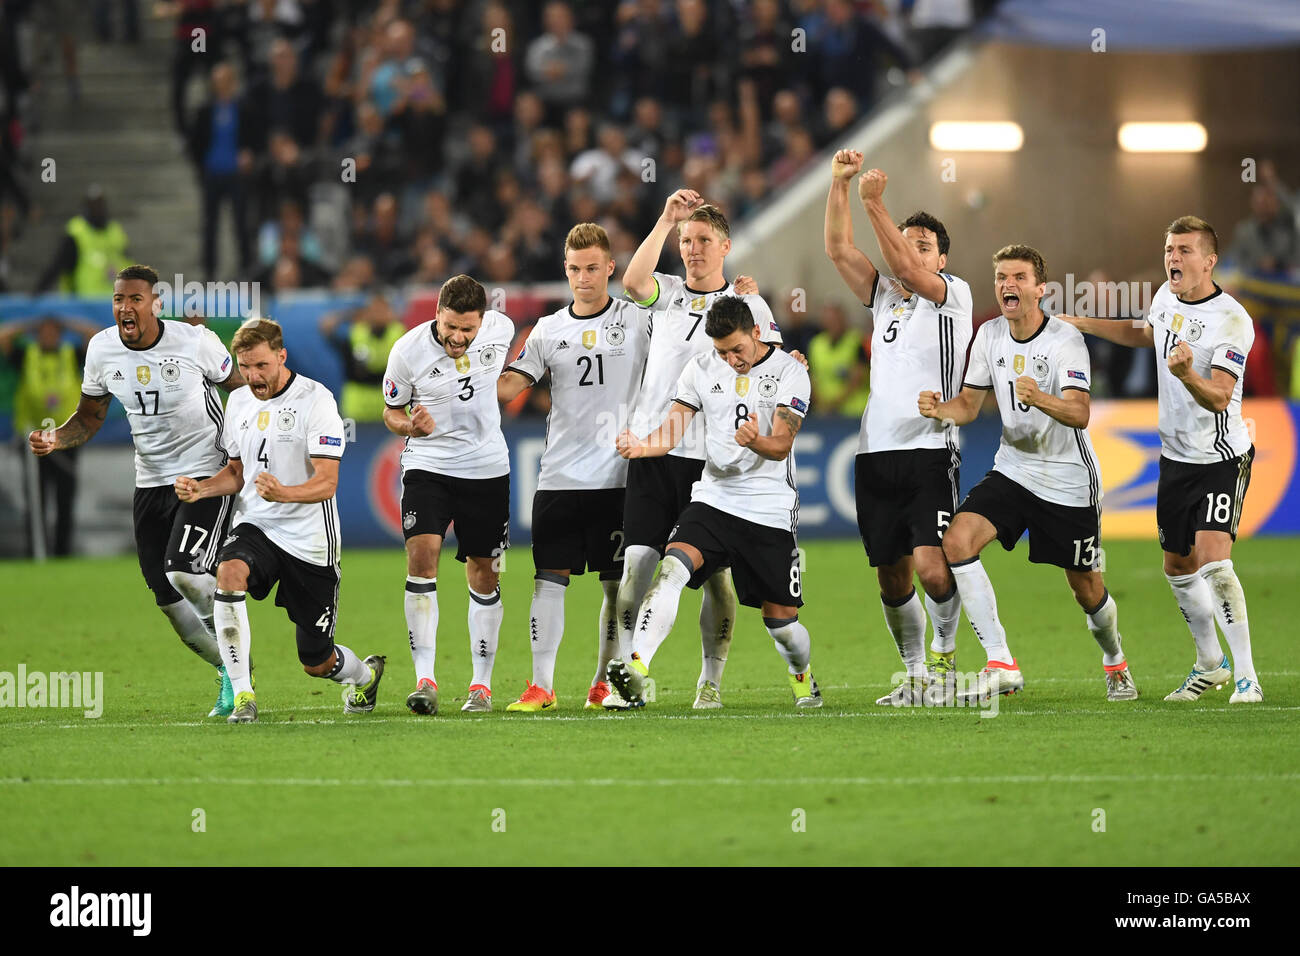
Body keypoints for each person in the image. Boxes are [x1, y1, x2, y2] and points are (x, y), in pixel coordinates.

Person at [918, 245, 1138, 702]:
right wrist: (942, 410)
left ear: (1041, 288)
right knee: (957, 541)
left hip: (1067, 479)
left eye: (1018, 277)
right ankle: (1000, 661)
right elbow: (970, 405)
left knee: (1086, 588)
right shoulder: (989, 336)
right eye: (1000, 277)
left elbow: (1079, 413)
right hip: (1014, 469)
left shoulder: (1064, 340)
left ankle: (1115, 659)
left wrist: (1039, 398)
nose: (1007, 285)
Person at [28, 264, 245, 716]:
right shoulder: (102, 349)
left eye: (135, 299)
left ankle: (239, 675)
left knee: (184, 571)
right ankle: (228, 671)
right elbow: (89, 417)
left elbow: (242, 389)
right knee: (165, 598)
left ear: (156, 304)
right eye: (118, 300)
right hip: (150, 482)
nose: (125, 308)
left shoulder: (195, 342)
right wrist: (55, 438)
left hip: (204, 476)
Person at [1061, 217, 1262, 703]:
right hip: (1175, 457)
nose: (1174, 257)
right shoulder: (1165, 298)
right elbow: (1144, 333)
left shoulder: (1232, 320)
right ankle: (1210, 664)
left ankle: (1247, 677)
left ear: (1209, 261)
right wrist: (1080, 322)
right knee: (1177, 565)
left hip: (1220, 455)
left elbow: (1218, 397)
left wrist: (1188, 374)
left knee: (1214, 560)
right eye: (1169, 248)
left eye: (1185, 250)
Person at [609, 295, 820, 709]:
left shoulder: (790, 372)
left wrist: (756, 440)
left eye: (737, 350)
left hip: (768, 507)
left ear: (757, 333)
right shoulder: (701, 368)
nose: (730, 360)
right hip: (714, 498)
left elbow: (780, 445)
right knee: (671, 569)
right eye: (721, 351)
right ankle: (637, 666)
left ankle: (803, 677)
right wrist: (641, 447)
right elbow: (670, 432)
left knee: (781, 623)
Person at [615, 190, 782, 710]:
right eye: (687, 241)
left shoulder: (748, 304)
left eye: (703, 240)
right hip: (653, 450)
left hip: (712, 461)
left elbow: (772, 367)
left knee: (713, 580)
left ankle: (710, 680)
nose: (693, 249)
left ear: (726, 246)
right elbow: (630, 282)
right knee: (635, 571)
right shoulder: (663, 292)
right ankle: (627, 678)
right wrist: (666, 219)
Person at [175, 317, 385, 723]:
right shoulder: (237, 402)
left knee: (316, 660)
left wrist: (284, 492)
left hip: (310, 542)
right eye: (245, 367)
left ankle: (365, 676)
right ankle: (242, 695)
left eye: (261, 366)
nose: (253, 377)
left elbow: (327, 482)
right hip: (258, 526)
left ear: (281, 356)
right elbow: (237, 473)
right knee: (229, 572)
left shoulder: (316, 400)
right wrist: (201, 489)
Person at [824, 153, 971, 705]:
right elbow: (838, 249)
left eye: (924, 244)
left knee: (933, 568)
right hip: (874, 454)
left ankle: (946, 662)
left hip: (930, 449)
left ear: (943, 257)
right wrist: (839, 186)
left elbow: (909, 269)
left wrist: (874, 202)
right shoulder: (885, 298)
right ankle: (913, 675)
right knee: (892, 577)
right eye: (906, 241)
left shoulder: (952, 296)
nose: (911, 251)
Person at [496, 223, 652, 712]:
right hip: (560, 475)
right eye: (573, 269)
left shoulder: (639, 320)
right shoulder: (548, 329)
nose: (583, 278)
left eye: (592, 268)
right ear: (564, 269)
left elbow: (693, 332)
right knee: (548, 579)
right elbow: (510, 386)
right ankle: (541, 685)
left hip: (620, 475)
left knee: (616, 584)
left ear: (610, 267)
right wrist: (465, 376)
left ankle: (604, 682)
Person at [381, 275, 513, 715]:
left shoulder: (502, 328)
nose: (457, 337)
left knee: (485, 573)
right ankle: (425, 679)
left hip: (488, 469)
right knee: (422, 558)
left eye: (467, 329)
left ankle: (481, 686)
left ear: (483, 322)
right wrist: (408, 426)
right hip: (429, 465)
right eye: (450, 326)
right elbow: (390, 411)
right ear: (437, 313)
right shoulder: (407, 351)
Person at [3, 315, 100, 556]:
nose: (48, 336)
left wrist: (68, 324)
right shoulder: (27, 355)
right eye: (43, 332)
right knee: (37, 498)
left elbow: (95, 336)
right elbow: (3, 337)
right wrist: (29, 325)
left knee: (65, 497)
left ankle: (62, 552)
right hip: (34, 438)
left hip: (66, 438)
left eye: (52, 332)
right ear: (37, 335)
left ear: (59, 334)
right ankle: (36, 550)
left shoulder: (70, 355)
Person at [320, 289, 405, 422]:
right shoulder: (356, 333)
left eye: (383, 310)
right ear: (367, 313)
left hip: (389, 400)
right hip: (359, 403)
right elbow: (340, 350)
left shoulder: (399, 333)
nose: (378, 315)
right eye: (374, 310)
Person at [34, 186, 129, 295]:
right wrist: (38, 292)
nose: (98, 210)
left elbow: (128, 264)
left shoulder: (115, 232)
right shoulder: (77, 233)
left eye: (100, 205)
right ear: (86, 208)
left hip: (111, 303)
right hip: (82, 304)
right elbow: (58, 265)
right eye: (94, 205)